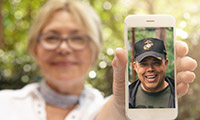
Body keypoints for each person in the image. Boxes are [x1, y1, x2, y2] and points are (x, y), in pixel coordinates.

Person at [0, 0, 197, 120]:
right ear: (35, 48)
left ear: (94, 51)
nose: (64, 48)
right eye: (52, 37)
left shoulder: (104, 108)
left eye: (77, 38)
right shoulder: (4, 104)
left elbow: (111, 114)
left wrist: (122, 107)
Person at [129, 38, 175, 108]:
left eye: (156, 63)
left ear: (165, 64)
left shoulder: (180, 93)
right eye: (144, 64)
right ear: (135, 67)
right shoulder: (125, 97)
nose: (150, 69)